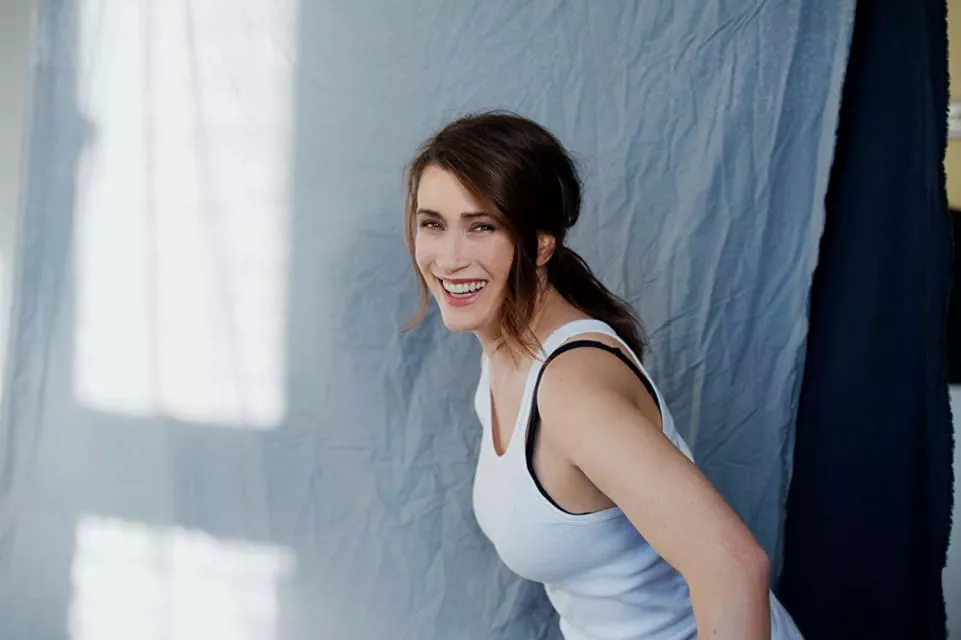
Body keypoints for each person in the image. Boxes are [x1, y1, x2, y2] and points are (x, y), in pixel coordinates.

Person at [402, 111, 803, 640]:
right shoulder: (505, 352)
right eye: (433, 223)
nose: (450, 258)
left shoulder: (571, 390)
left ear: (541, 243)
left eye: (482, 226)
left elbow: (733, 567)